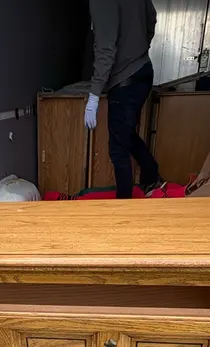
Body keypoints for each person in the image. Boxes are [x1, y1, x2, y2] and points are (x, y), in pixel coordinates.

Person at [85, 0, 161, 199]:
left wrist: (94, 94)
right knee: (124, 133)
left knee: (118, 149)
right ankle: (151, 172)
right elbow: (151, 20)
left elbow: (105, 49)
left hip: (125, 79)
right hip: (144, 70)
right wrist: (139, 49)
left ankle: (123, 208)